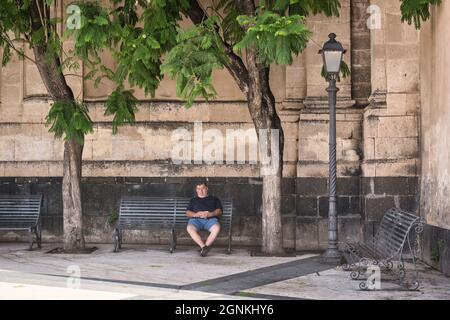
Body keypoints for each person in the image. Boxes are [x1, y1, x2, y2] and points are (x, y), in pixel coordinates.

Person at [186, 181, 222, 257]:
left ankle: (204, 248)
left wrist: (210, 214)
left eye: (203, 188)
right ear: (196, 190)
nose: (201, 191)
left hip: (210, 219)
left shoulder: (214, 198)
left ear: (207, 188)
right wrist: (195, 214)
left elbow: (219, 211)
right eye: (198, 189)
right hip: (196, 220)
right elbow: (188, 212)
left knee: (216, 228)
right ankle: (204, 247)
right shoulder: (193, 200)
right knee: (189, 228)